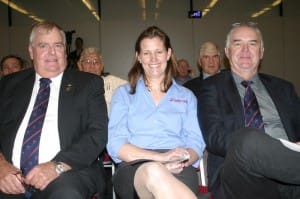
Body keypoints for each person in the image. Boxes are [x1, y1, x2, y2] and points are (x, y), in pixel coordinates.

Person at [0, 21, 108, 199]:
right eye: (43, 45)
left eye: (57, 45)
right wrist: (1, 166)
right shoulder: (9, 85)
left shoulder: (88, 84)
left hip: (69, 173)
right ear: (31, 51)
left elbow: (98, 133)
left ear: (65, 50)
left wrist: (57, 166)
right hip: (10, 176)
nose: (52, 52)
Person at [197, 22, 300, 199]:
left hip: (291, 176)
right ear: (228, 52)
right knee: (248, 139)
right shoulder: (211, 88)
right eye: (238, 44)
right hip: (241, 175)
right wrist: (268, 148)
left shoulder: (284, 88)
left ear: (261, 52)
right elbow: (214, 138)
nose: (245, 50)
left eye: (252, 44)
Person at [107, 26, 206, 199]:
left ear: (168, 54)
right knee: (153, 170)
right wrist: (160, 160)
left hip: (179, 167)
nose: (153, 58)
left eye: (158, 52)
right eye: (146, 53)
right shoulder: (124, 94)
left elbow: (196, 143)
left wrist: (181, 159)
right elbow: (116, 144)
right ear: (138, 57)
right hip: (134, 166)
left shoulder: (187, 97)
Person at [77, 47, 127, 115]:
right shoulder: (74, 89)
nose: (92, 66)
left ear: (102, 66)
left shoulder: (112, 82)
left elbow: (134, 88)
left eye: (96, 62)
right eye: (88, 62)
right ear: (80, 66)